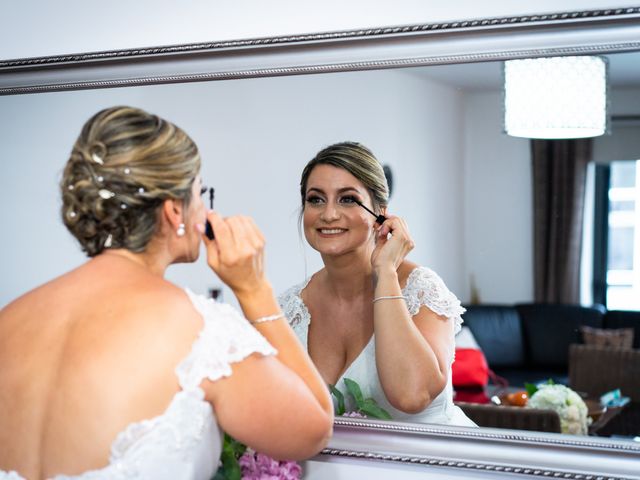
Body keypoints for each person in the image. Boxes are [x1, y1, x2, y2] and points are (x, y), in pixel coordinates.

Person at [0, 106, 333, 480]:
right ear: (175, 211)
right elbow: (314, 427)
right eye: (199, 192)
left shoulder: (9, 319)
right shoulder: (201, 331)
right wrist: (254, 289)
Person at [279, 141, 475, 426]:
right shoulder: (290, 307)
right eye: (316, 199)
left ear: (380, 212)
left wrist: (386, 273)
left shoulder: (420, 289)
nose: (328, 214)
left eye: (347, 199)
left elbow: (412, 395)